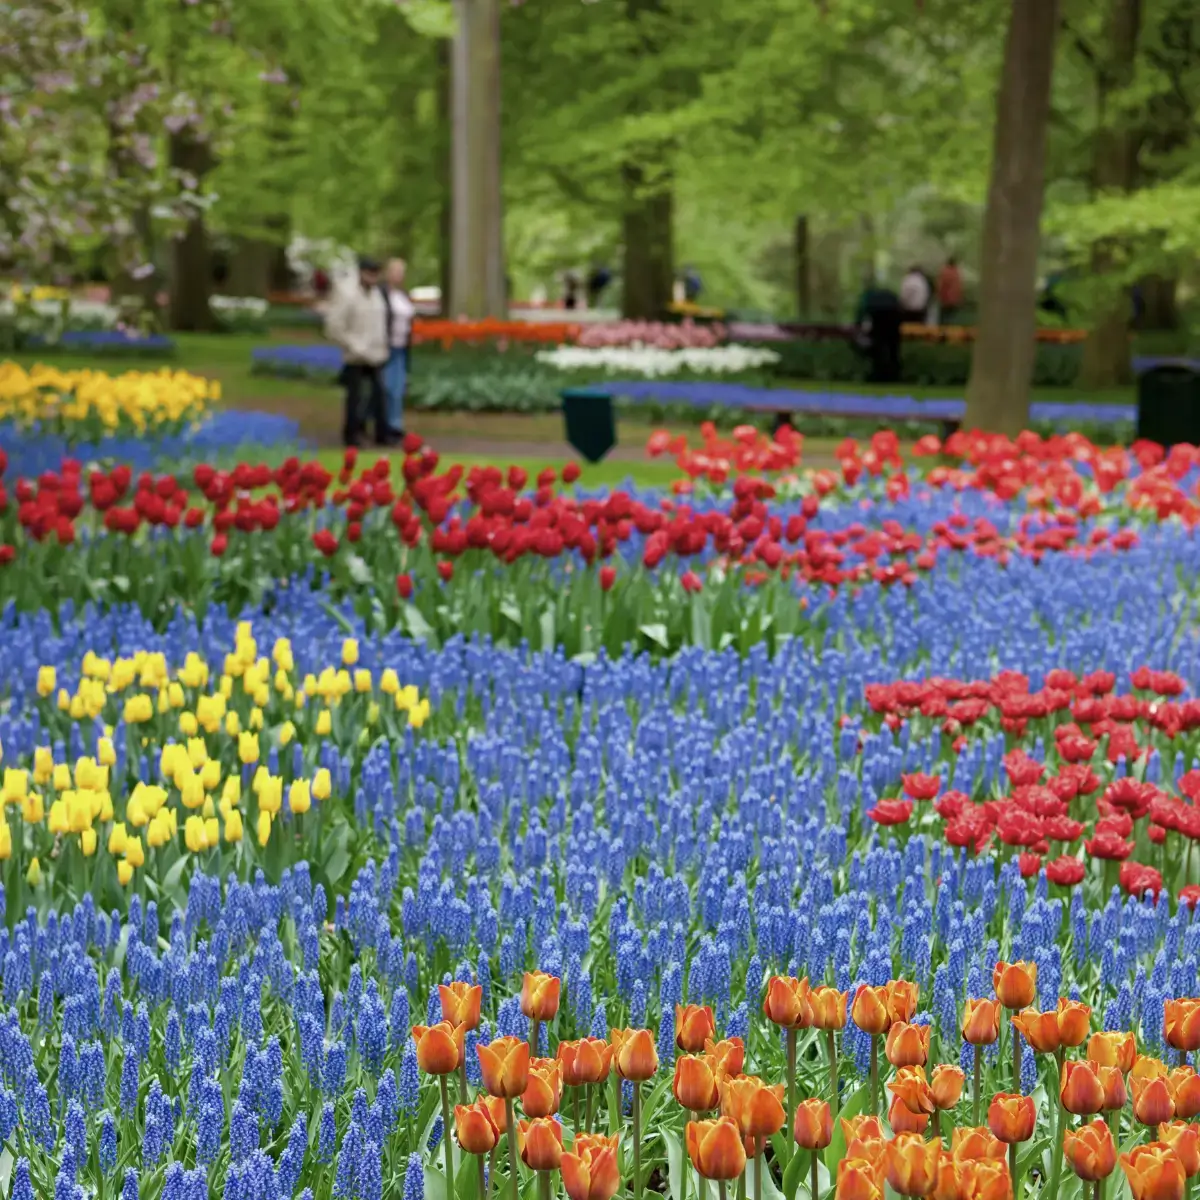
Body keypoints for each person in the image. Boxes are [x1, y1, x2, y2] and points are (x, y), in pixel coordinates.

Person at [324, 256, 389, 447]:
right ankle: (351, 435)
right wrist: (353, 345)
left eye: (376, 274)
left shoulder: (377, 294)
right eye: (370, 273)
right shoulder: (347, 294)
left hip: (376, 354)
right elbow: (333, 326)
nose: (373, 278)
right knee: (355, 397)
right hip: (355, 355)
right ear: (361, 273)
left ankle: (379, 434)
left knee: (379, 395)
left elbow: (380, 324)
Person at [381, 257, 415, 440]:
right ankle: (384, 425)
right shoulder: (382, 294)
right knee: (386, 387)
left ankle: (395, 424)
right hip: (386, 347)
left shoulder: (403, 295)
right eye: (395, 271)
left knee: (398, 388)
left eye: (401, 272)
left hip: (401, 347)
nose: (399, 275)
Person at [936, 257, 963, 324]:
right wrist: (959, 298)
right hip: (954, 299)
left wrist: (938, 295)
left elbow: (940, 285)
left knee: (943, 318)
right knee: (951, 317)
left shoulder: (944, 271)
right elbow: (959, 286)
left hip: (945, 298)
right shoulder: (957, 272)